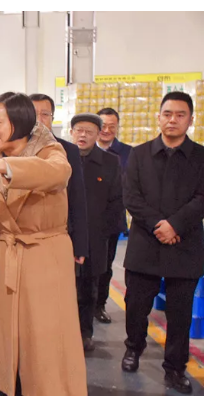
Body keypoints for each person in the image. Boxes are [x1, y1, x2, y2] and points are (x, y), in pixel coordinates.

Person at [0, 92, 87, 396]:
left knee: (48, 345)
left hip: (45, 260)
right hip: (6, 259)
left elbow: (56, 174)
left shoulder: (50, 151)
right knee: (7, 342)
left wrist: (4, 166)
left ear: (19, 121)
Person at [121, 91, 203, 395]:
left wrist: (175, 225)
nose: (173, 120)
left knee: (180, 313)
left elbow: (203, 198)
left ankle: (175, 368)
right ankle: (133, 348)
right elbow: (131, 197)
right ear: (158, 117)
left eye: (180, 115)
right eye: (167, 114)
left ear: (190, 120)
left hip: (185, 244)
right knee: (136, 305)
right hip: (146, 242)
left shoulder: (202, 157)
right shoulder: (140, 154)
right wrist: (160, 225)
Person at [70, 113, 123, 352]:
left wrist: (102, 233)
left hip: (95, 237)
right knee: (63, 288)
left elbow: (116, 201)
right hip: (64, 236)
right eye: (79, 130)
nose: (83, 135)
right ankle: (64, 333)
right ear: (71, 132)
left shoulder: (110, 162)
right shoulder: (61, 158)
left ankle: (84, 333)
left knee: (88, 288)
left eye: (89, 132)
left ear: (98, 135)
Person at [29, 94, 89, 266]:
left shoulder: (69, 150)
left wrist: (80, 245)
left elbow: (77, 198)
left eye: (45, 114)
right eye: (34, 114)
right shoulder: (15, 149)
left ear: (52, 118)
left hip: (58, 234)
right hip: (24, 235)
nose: (39, 120)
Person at [94, 107, 133, 324]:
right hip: (87, 221)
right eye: (103, 125)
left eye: (112, 126)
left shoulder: (128, 154)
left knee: (105, 266)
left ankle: (99, 305)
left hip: (112, 220)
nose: (107, 130)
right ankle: (81, 305)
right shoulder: (84, 150)